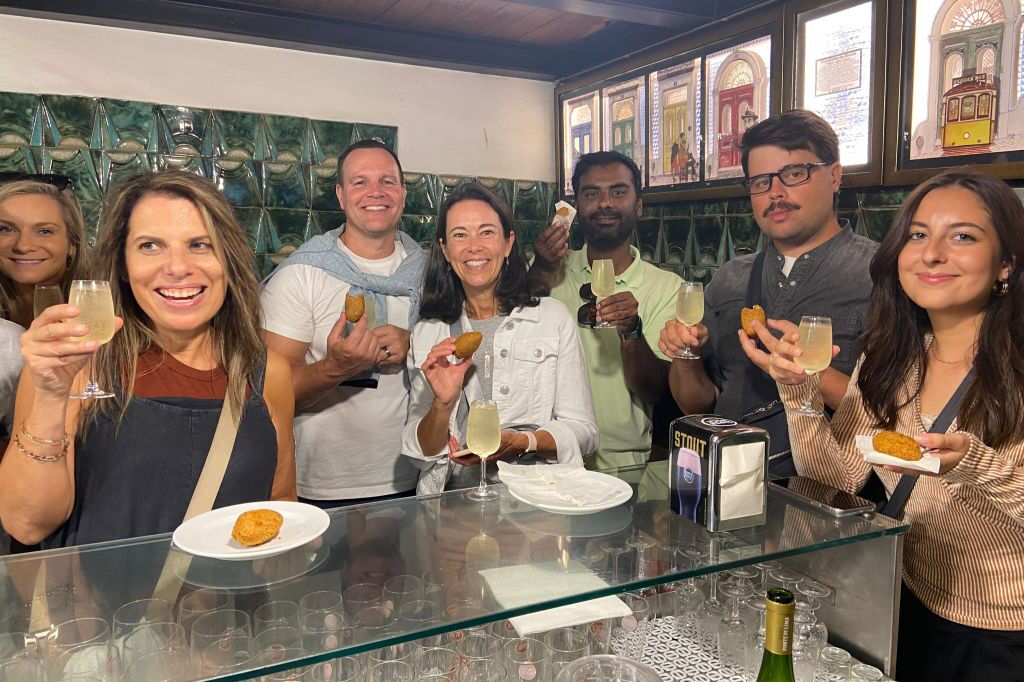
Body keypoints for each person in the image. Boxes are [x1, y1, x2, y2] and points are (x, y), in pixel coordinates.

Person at [768, 169, 1024, 681]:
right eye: (918, 235)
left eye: (963, 236)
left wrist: (973, 464)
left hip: (999, 633)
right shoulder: (894, 358)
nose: (932, 254)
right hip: (899, 597)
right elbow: (837, 476)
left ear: (1006, 265)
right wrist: (798, 387)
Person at [0, 171, 296, 548]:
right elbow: (27, 525)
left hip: (236, 605)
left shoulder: (268, 373)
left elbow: (280, 507)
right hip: (106, 606)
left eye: (200, 244)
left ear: (229, 259)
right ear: (123, 265)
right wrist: (49, 396)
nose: (176, 267)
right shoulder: (75, 369)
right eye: (150, 246)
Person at [659, 109, 877, 475]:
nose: (775, 193)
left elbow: (903, 419)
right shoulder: (730, 278)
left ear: (835, 175)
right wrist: (684, 355)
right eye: (760, 181)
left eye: (794, 174)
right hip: (724, 484)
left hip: (830, 500)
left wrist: (806, 376)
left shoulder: (882, 274)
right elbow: (697, 404)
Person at [261, 139, 426, 508]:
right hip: (321, 485)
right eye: (359, 182)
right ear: (340, 195)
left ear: (402, 192)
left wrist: (416, 342)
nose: (375, 192)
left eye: (387, 181)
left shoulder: (431, 273)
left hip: (417, 475)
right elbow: (269, 393)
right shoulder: (302, 274)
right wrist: (334, 369)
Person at [402, 183, 597, 493]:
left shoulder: (552, 318)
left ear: (508, 243)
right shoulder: (429, 332)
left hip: (536, 504)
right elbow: (420, 452)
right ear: (445, 249)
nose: (473, 246)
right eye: (460, 235)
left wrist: (523, 442)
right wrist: (442, 404)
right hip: (452, 509)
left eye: (487, 232)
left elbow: (584, 432)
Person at [530, 151, 680, 470]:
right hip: (546, 450)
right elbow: (510, 324)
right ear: (576, 208)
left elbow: (653, 391)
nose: (604, 203)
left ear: (638, 205)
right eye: (591, 193)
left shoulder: (667, 288)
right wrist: (542, 268)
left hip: (624, 462)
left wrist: (631, 332)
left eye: (618, 191)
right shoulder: (548, 268)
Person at [0, 173, 87, 330]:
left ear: (72, 244)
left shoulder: (108, 306)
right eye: (6, 229)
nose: (23, 246)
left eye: (44, 231)